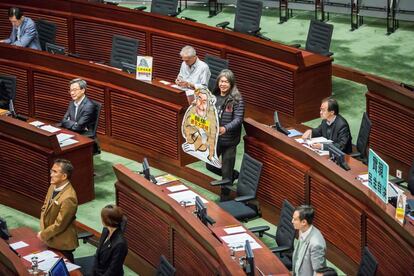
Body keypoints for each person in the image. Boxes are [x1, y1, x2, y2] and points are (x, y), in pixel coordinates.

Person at [207, 69, 245, 201]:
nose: (223, 84)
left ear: (231, 84)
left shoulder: (237, 99)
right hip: (215, 139)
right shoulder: (214, 96)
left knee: (226, 173)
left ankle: (225, 199)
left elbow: (238, 119)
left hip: (229, 141)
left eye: (226, 82)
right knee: (209, 164)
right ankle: (233, 175)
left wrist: (225, 128)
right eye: (221, 81)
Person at [38, 159, 78, 263]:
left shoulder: (69, 197)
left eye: (55, 172)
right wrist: (44, 230)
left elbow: (60, 224)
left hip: (62, 244)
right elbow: (44, 208)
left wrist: (43, 234)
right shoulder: (52, 186)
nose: (51, 174)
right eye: (52, 171)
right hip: (50, 238)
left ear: (64, 176)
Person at [93, 205, 128, 276]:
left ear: (107, 220)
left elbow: (113, 270)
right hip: (98, 272)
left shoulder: (120, 244)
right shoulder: (106, 231)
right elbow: (97, 253)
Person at [291, 205, 326, 276]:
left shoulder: (316, 244)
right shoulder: (302, 230)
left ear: (304, 222)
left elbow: (319, 273)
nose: (292, 221)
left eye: (295, 219)